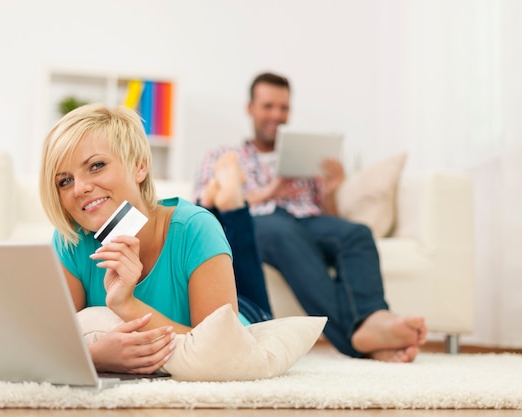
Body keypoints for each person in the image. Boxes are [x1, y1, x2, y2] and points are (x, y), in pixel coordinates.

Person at [195, 72, 428, 362]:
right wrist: (272, 191)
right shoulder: (224, 155)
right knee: (283, 232)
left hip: (306, 221)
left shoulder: (305, 155)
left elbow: (329, 217)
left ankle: (373, 319)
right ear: (250, 109)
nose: (276, 115)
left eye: (283, 108)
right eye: (268, 106)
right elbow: (208, 209)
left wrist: (331, 191)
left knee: (356, 233)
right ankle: (357, 339)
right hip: (260, 221)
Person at [38, 103, 269, 375]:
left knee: (258, 305)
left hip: (246, 315)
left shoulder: (195, 228)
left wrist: (126, 304)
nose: (80, 188)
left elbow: (221, 352)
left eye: (96, 166)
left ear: (140, 166)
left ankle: (227, 190)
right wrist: (94, 357)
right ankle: (214, 194)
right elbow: (48, 346)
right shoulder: (71, 241)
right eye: (64, 181)